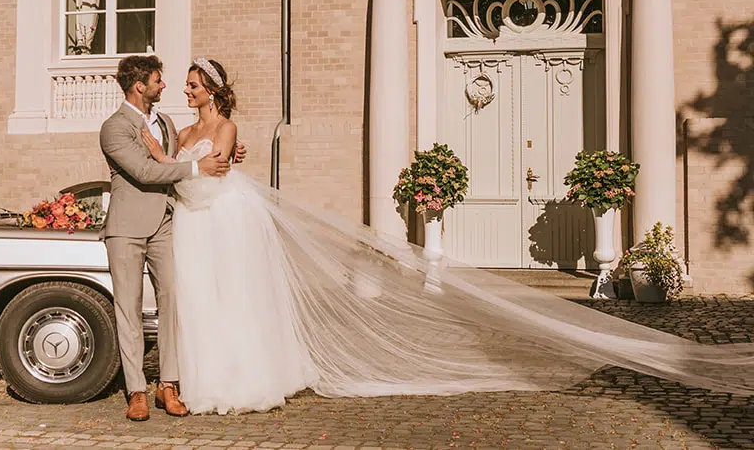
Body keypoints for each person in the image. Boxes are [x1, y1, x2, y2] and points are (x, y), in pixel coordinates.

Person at [133, 56, 754, 415]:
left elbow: (207, 177)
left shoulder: (226, 126)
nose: (186, 89)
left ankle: (235, 379)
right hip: (194, 223)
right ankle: (194, 380)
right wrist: (173, 161)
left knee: (232, 300)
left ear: (211, 88)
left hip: (217, 216)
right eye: (183, 83)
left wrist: (184, 170)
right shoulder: (182, 128)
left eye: (192, 83)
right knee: (201, 303)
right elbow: (181, 168)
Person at [98, 54, 245, 422]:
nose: (165, 86)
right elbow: (147, 170)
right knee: (128, 310)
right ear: (139, 86)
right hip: (127, 229)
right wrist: (201, 165)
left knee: (174, 303)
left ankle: (169, 385)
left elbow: (182, 159)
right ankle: (136, 391)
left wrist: (229, 154)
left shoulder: (165, 122)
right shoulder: (113, 127)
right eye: (158, 80)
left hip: (166, 223)